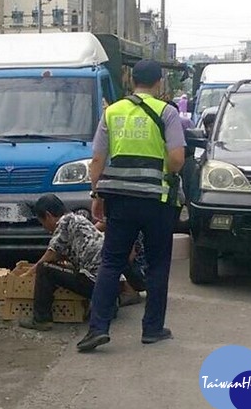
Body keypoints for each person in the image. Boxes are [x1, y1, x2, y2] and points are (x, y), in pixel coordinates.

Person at [78, 59, 186, 352]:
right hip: (157, 202)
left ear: (131, 80)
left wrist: (96, 193)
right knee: (158, 263)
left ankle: (98, 328)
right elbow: (177, 160)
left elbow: (98, 159)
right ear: (159, 82)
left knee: (111, 262)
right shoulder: (168, 112)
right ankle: (152, 328)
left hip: (120, 200)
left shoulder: (112, 112)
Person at [18, 194, 103, 331]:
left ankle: (41, 319)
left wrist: (28, 273)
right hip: (109, 284)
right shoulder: (78, 219)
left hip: (94, 284)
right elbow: (61, 254)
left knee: (44, 269)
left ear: (48, 215)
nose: (45, 228)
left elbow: (50, 254)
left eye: (43, 223)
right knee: (56, 267)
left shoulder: (64, 222)